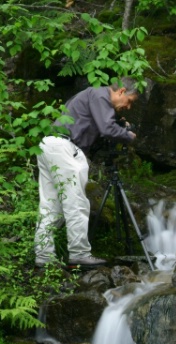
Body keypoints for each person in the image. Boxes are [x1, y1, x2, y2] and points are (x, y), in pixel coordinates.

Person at [34, 77, 139, 267]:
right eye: (129, 101)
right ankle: (79, 254)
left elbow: (98, 126)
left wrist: (116, 121)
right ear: (122, 91)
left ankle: (43, 257)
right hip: (65, 148)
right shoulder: (100, 94)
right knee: (77, 203)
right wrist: (128, 135)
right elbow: (107, 129)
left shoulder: (89, 96)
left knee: (51, 207)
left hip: (49, 144)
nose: (128, 107)